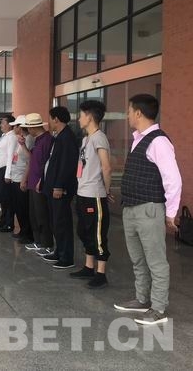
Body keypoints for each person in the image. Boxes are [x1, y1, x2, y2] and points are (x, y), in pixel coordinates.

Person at [114, 94, 182, 326]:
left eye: (129, 111)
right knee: (138, 259)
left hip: (149, 209)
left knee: (156, 261)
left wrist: (171, 213)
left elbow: (173, 179)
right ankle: (142, 299)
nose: (127, 115)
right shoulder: (138, 140)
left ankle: (158, 308)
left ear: (138, 113)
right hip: (131, 208)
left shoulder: (159, 141)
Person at [70, 100, 113, 289]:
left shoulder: (99, 138)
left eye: (81, 115)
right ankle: (88, 267)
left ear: (89, 117)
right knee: (83, 230)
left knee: (97, 234)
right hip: (82, 192)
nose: (79, 119)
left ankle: (101, 273)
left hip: (95, 194)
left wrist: (107, 190)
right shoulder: (86, 139)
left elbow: (106, 166)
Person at [41, 106, 79, 269]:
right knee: (55, 222)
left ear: (56, 119)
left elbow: (67, 165)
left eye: (50, 118)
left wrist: (58, 186)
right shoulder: (59, 136)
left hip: (60, 188)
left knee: (62, 222)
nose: (49, 122)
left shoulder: (67, 137)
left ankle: (66, 257)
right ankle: (59, 251)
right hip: (52, 186)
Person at [22, 113, 53, 254]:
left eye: (28, 128)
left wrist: (41, 179)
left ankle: (46, 243)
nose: (28, 130)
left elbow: (47, 163)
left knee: (42, 215)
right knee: (34, 214)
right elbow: (32, 159)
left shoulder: (47, 140)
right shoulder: (37, 140)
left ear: (34, 127)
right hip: (33, 181)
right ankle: (38, 241)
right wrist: (23, 145)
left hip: (40, 183)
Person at [7, 116, 32, 244]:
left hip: (22, 177)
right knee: (18, 207)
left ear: (21, 127)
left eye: (16, 126)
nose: (14, 128)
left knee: (23, 207)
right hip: (15, 177)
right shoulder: (20, 139)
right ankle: (22, 230)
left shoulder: (29, 139)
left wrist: (24, 179)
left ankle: (28, 233)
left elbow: (29, 161)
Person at [0, 115, 17, 231]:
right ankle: (2, 220)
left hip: (3, 171)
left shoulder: (11, 137)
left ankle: (9, 223)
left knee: (6, 199)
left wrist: (8, 174)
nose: (1, 125)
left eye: (3, 123)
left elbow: (10, 156)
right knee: (2, 198)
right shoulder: (4, 136)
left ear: (10, 125)